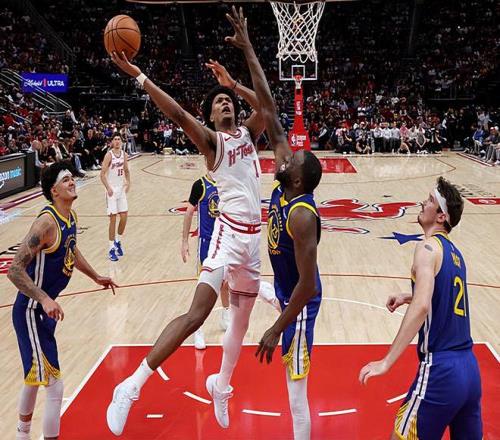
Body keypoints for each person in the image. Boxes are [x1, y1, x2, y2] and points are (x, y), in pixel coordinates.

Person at [105, 41, 265, 436]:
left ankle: (220, 386)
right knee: (198, 314)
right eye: (219, 102)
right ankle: (131, 385)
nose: (225, 103)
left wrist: (234, 83)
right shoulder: (212, 142)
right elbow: (177, 114)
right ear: (210, 116)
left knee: (240, 324)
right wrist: (139, 77)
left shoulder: (249, 133)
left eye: (229, 101)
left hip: (253, 243)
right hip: (227, 238)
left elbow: (266, 105)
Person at [225, 8, 323, 439]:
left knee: (295, 391)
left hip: (299, 303)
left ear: (298, 179)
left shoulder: (301, 216)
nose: (284, 155)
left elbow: (307, 285)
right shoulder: (289, 179)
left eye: (293, 159)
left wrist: (276, 326)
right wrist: (248, 48)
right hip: (285, 289)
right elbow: (268, 107)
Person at [359, 177, 483, 439]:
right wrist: (409, 296)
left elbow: (423, 307)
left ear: (441, 216)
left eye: (429, 200)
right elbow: (447, 299)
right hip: (470, 370)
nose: (422, 203)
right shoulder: (456, 255)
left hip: (441, 370)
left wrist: (386, 362)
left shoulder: (427, 248)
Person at [8, 161, 116, 440]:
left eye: (72, 178)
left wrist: (95, 276)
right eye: (66, 179)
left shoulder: (70, 216)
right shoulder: (45, 223)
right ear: (54, 191)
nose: (72, 182)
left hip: (42, 312)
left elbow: (71, 250)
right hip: (31, 311)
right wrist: (44, 299)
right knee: (54, 385)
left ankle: (22, 435)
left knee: (34, 378)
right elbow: (14, 269)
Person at [181, 173, 230, 348]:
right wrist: (185, 241)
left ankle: (225, 316)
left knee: (225, 282)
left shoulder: (226, 182)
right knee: (203, 286)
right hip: (206, 243)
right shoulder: (200, 185)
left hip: (224, 241)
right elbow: (188, 213)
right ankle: (198, 329)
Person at [100, 134, 130, 261]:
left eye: (119, 139)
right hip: (111, 190)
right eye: (115, 139)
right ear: (112, 142)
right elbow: (102, 174)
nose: (117, 141)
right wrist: (108, 188)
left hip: (121, 189)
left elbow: (126, 170)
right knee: (113, 219)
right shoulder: (109, 155)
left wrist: (129, 182)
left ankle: (118, 240)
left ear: (122, 142)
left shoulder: (124, 155)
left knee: (124, 217)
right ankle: (111, 248)